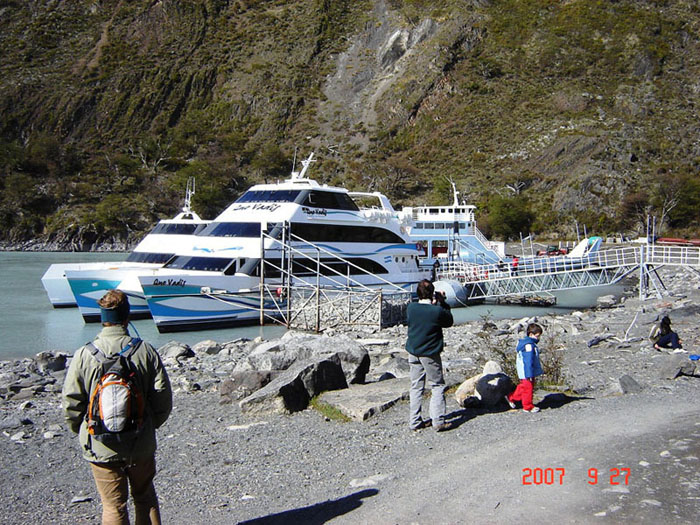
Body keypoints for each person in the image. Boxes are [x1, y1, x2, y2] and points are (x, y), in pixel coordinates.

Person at [62, 290, 172, 525]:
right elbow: (163, 398)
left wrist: (82, 431)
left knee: (113, 505)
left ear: (103, 318)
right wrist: (150, 425)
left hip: (100, 444)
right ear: (127, 317)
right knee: (145, 498)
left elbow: (71, 402)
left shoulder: (84, 354)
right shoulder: (145, 351)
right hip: (140, 442)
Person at [405, 279, 454, 431]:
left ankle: (414, 421)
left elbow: (424, 312)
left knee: (416, 386)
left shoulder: (411, 308)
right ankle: (438, 420)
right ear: (432, 293)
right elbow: (448, 321)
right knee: (437, 385)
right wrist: (442, 302)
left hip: (413, 351)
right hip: (430, 353)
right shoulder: (437, 311)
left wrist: (434, 301)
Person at [506, 322, 543, 413]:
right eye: (537, 336)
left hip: (526, 371)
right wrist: (529, 373)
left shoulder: (528, 344)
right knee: (528, 388)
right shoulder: (528, 346)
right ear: (531, 334)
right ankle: (528, 406)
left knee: (523, 386)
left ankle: (511, 397)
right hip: (527, 371)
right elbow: (528, 361)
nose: (538, 338)